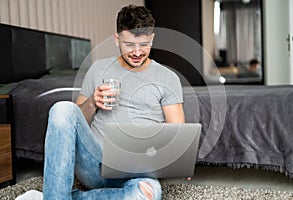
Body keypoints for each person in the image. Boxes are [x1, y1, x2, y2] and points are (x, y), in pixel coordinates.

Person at [42, 4, 185, 200]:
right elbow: (75, 123)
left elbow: (177, 134)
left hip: (138, 171)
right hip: (94, 163)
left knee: (143, 196)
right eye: (129, 44)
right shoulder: (97, 69)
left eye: (144, 44)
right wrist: (93, 102)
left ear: (152, 39)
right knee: (61, 109)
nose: (137, 52)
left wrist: (179, 157)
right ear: (117, 39)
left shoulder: (167, 78)